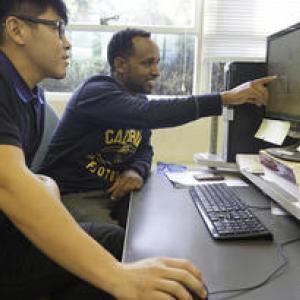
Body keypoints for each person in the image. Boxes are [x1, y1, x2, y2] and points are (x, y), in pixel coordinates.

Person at [0, 2, 208, 300]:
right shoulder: (10, 88)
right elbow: (9, 184)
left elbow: (143, 147)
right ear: (16, 29)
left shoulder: (32, 97)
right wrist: (119, 277)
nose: (67, 42)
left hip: (13, 234)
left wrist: (45, 183)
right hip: (7, 251)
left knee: (119, 243)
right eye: (58, 28)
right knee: (120, 268)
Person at [39, 27, 275, 229]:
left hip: (114, 194)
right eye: (147, 63)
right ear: (121, 64)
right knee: (121, 246)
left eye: (157, 63)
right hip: (73, 196)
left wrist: (135, 171)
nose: (156, 71)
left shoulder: (137, 100)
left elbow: (144, 150)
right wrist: (224, 98)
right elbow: (150, 114)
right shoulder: (95, 92)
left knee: (166, 225)